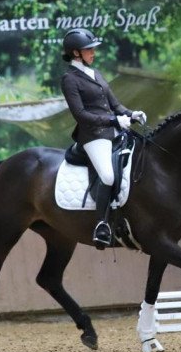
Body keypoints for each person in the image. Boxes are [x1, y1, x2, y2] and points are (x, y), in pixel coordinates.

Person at [60, 28, 147, 248]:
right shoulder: (69, 79)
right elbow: (81, 115)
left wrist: (130, 114)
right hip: (93, 136)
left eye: (92, 49)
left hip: (113, 131)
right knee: (107, 176)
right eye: (89, 49)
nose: (93, 53)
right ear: (76, 53)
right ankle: (101, 225)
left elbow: (114, 105)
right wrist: (114, 122)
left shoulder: (95, 73)